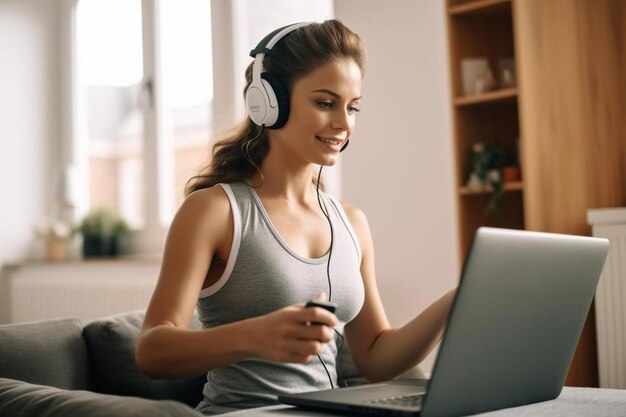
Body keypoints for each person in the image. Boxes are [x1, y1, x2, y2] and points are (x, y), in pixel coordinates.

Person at [136, 19, 455, 415]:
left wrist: (456, 303)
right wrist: (255, 336)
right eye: (325, 103)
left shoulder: (352, 222)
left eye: (352, 107)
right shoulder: (214, 211)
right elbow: (152, 351)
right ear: (268, 102)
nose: (343, 124)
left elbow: (374, 357)